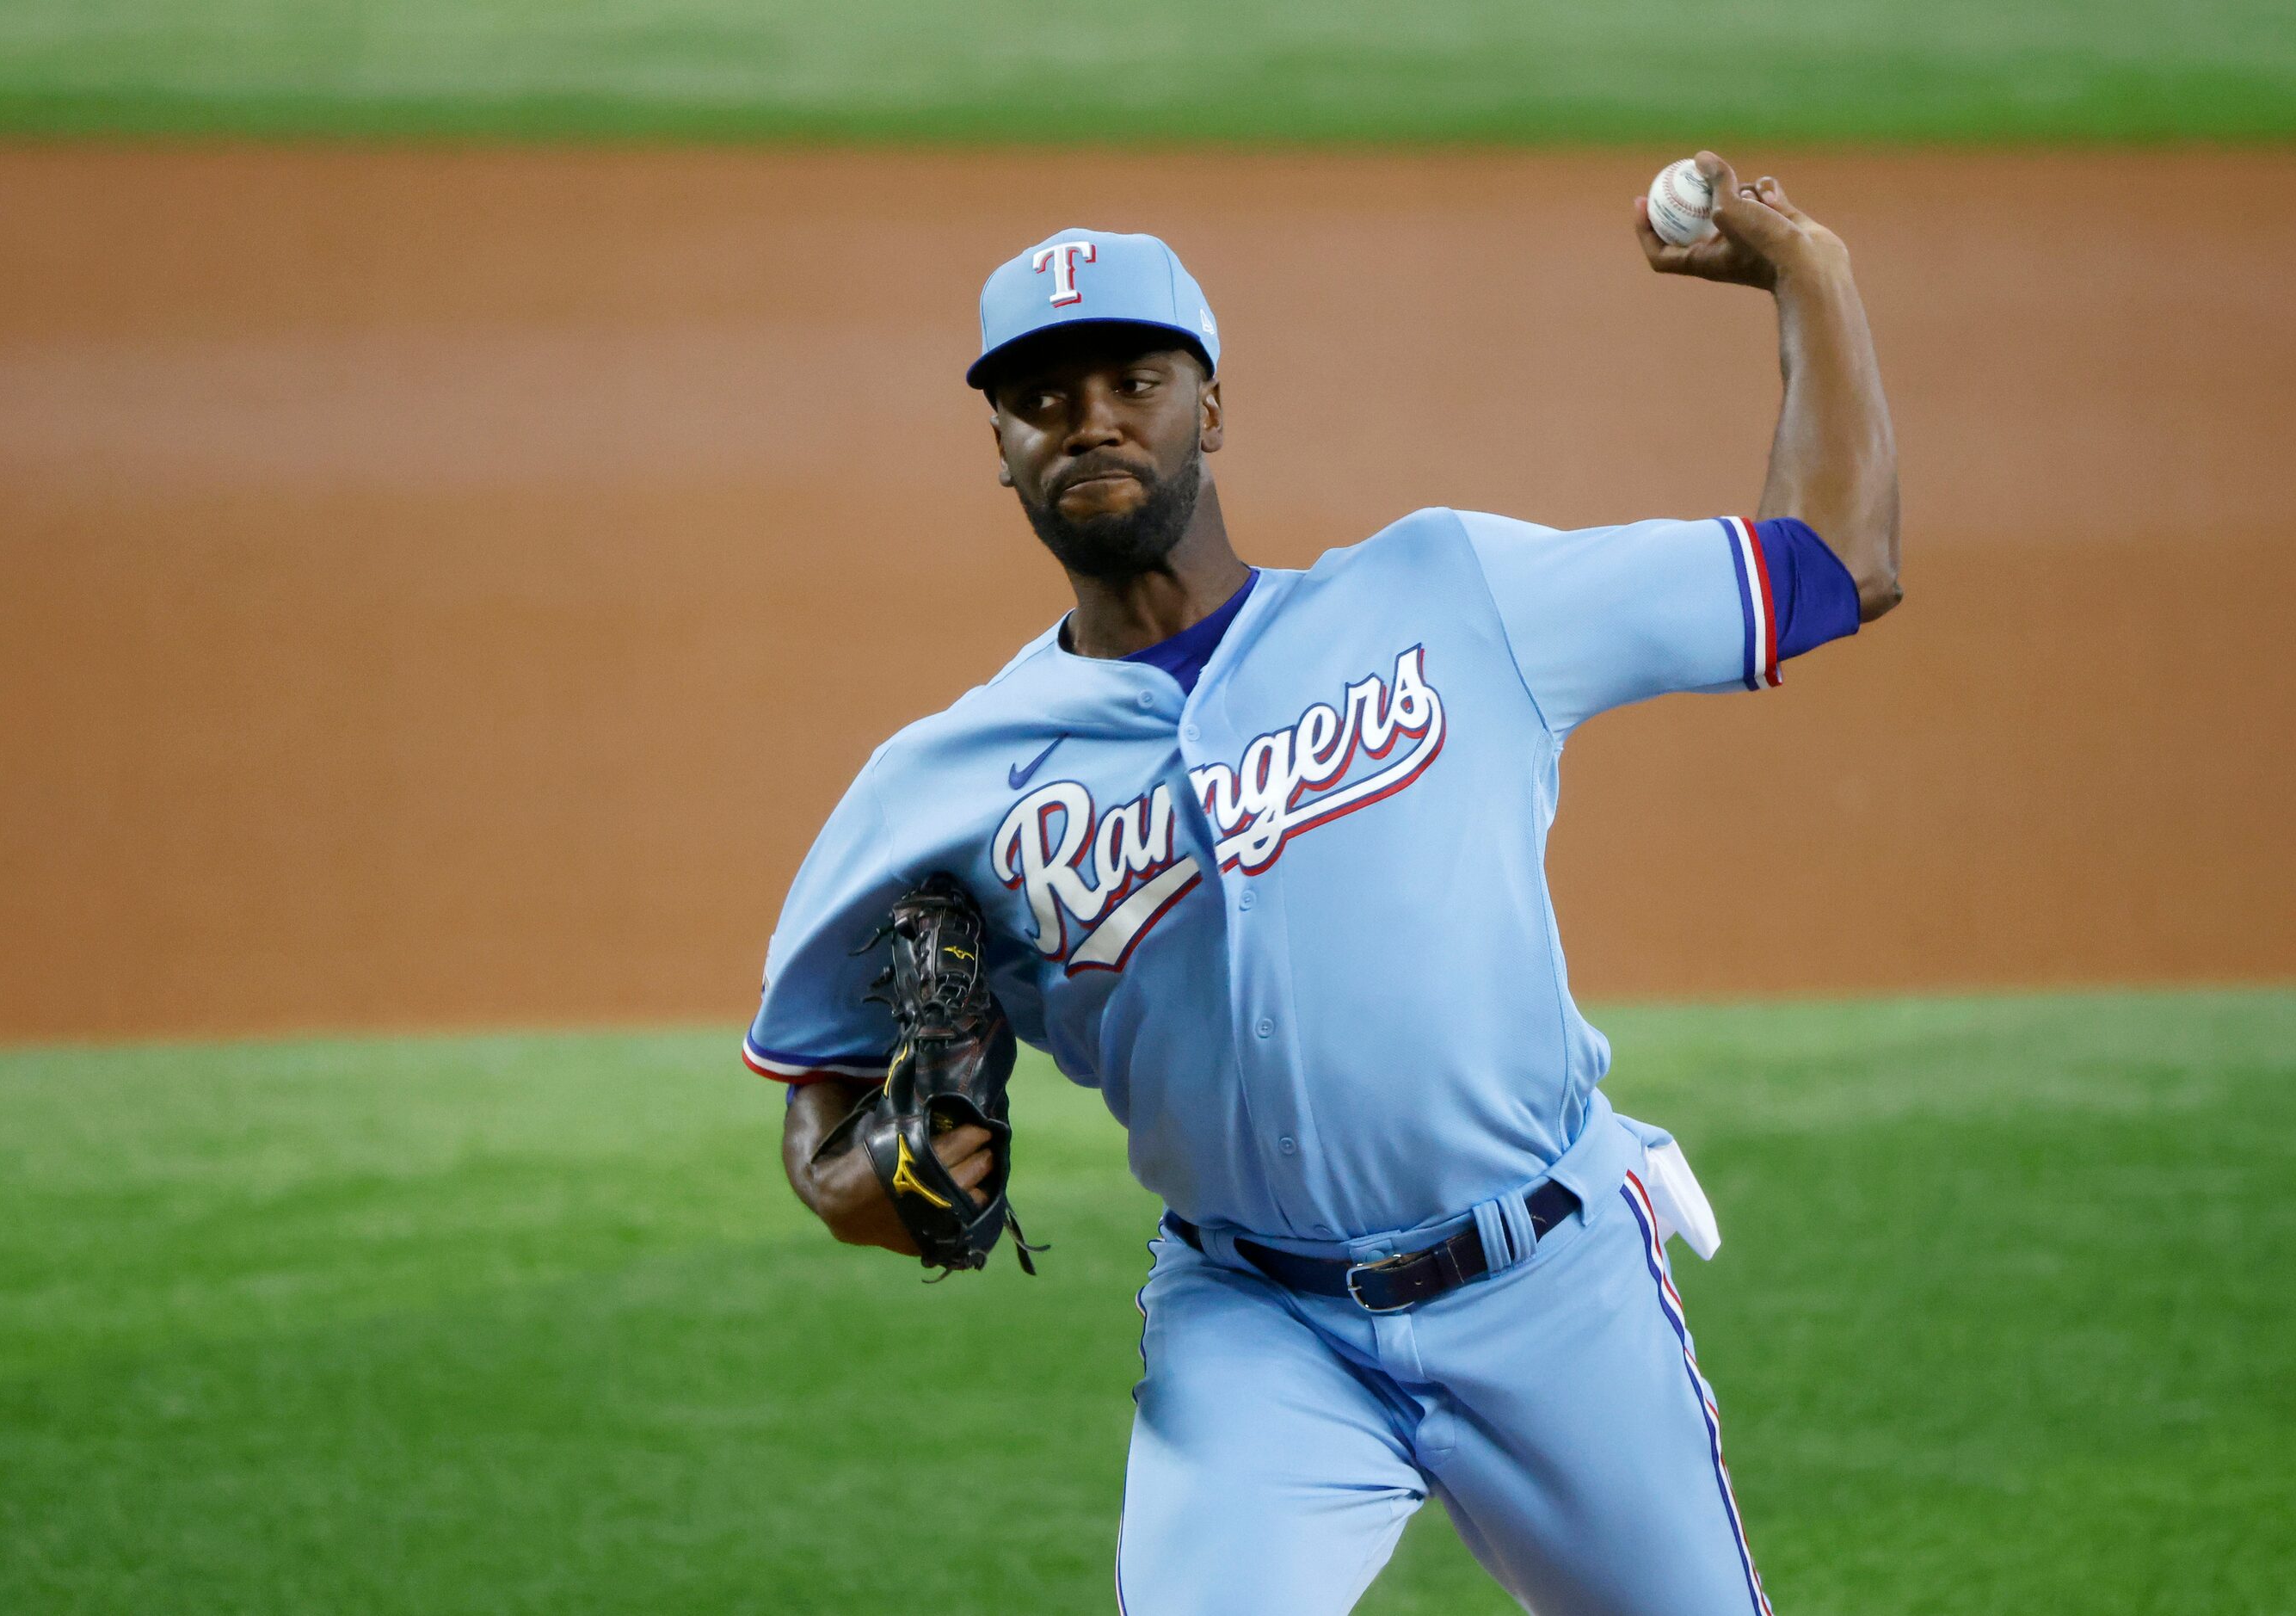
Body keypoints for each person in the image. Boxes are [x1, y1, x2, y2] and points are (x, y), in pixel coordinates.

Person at [750, 151, 1899, 1613]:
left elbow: (1836, 565)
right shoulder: (941, 782)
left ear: (1211, 406)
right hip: (1253, 1331)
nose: (1088, 419)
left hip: (1555, 1289)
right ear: (997, 442)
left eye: (1132, 378)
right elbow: (822, 1091)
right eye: (1040, 394)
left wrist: (1815, 276)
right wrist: (863, 1184)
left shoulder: (1447, 592)